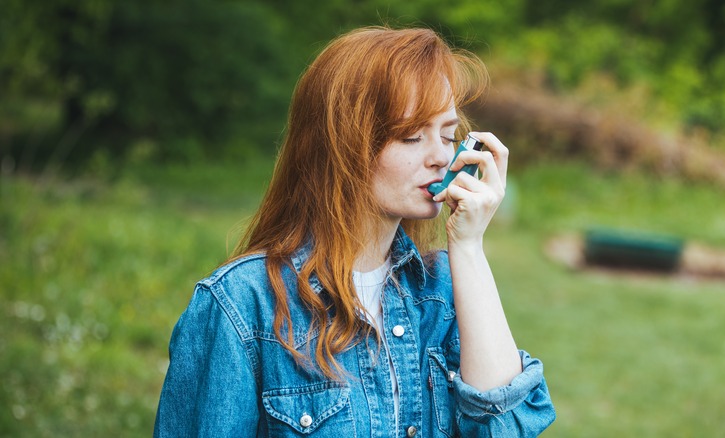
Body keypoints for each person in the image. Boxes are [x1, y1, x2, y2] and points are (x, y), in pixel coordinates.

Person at [154, 26, 555, 437]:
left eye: (449, 135)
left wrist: (468, 247)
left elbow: (503, 427)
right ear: (343, 145)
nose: (441, 157)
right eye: (412, 136)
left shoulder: (445, 290)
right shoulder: (242, 304)